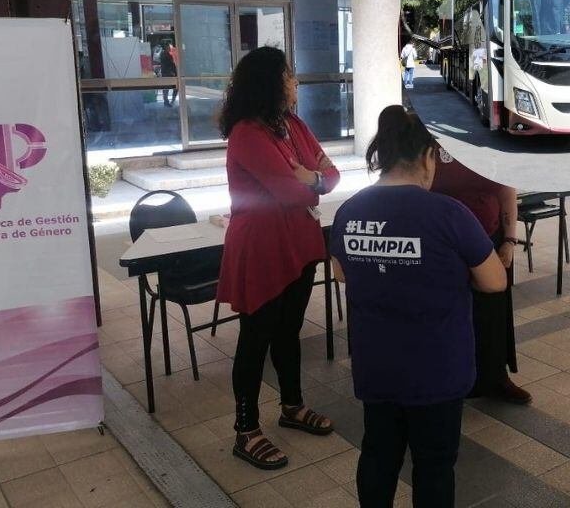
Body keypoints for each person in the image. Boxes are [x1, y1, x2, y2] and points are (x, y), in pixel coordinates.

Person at [330, 105, 507, 507]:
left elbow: (341, 273)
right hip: (436, 371)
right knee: (434, 467)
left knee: (378, 456)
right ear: (428, 156)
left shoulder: (350, 211)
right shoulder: (449, 214)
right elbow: (495, 281)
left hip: (377, 367)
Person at [217, 46, 340, 471]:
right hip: (262, 250)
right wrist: (312, 182)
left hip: (299, 243)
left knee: (289, 332)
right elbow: (290, 192)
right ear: (270, 83)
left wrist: (313, 179)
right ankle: (246, 430)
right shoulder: (247, 133)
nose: (295, 82)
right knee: (255, 339)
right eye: (288, 75)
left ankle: (292, 406)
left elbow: (332, 175)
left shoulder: (293, 124)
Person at [431, 149, 531, 404]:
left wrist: (509, 239)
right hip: (443, 244)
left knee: (493, 310)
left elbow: (506, 190)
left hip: (489, 240)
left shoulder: (485, 144)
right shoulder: (429, 144)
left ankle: (495, 377)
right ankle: (450, 378)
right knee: (451, 313)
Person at [160, 40, 178, 106]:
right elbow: (167, 65)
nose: (170, 48)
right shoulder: (164, 54)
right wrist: (171, 72)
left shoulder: (170, 53)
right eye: (169, 47)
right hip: (167, 73)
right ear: (166, 47)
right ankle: (166, 101)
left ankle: (172, 100)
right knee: (166, 88)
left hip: (172, 73)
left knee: (175, 87)